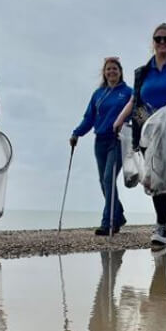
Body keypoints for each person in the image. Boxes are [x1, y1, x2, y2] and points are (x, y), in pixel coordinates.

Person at [113, 23, 166, 247]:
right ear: (153, 42)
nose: (162, 43)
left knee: (163, 172)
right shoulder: (143, 72)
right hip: (146, 129)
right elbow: (135, 101)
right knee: (153, 177)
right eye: (158, 39)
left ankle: (161, 227)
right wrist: (119, 120)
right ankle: (161, 225)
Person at [70, 57, 132, 235]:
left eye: (115, 69)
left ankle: (108, 223)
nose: (111, 71)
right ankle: (118, 215)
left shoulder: (128, 92)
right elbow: (89, 118)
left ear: (120, 72)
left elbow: (135, 113)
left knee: (108, 179)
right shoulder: (98, 94)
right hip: (100, 140)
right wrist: (76, 133)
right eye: (108, 69)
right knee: (103, 182)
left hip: (119, 140)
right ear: (104, 73)